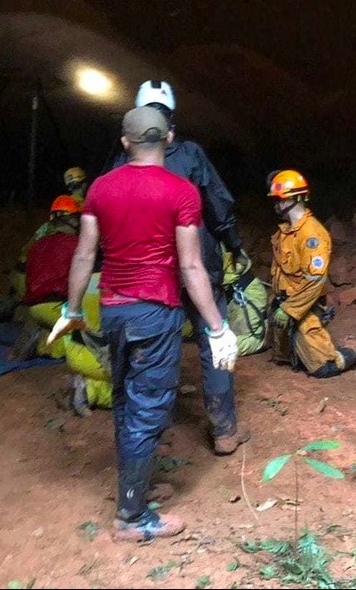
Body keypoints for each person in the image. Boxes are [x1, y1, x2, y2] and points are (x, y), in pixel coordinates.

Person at [48, 106, 239, 543]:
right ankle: (132, 517)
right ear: (169, 139)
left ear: (124, 143)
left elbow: (83, 255)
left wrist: (72, 310)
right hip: (155, 311)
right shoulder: (182, 192)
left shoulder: (100, 187)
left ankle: (137, 485)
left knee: (124, 398)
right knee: (149, 408)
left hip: (113, 308)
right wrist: (216, 326)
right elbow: (191, 266)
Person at [107, 79, 250, 456]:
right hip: (197, 264)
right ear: (171, 124)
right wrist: (234, 245)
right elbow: (217, 205)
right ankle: (224, 429)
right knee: (213, 336)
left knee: (154, 346)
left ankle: (153, 437)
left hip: (149, 273)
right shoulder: (190, 154)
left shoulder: (122, 163)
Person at [15, 195, 112, 416]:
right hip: (58, 307)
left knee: (70, 329)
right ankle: (89, 388)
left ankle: (43, 342)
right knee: (140, 388)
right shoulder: (77, 249)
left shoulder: (37, 245)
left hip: (36, 308)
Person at [267, 169, 356, 378]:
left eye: (279, 198)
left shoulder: (312, 235)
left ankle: (353, 351)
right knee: (282, 358)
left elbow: (314, 281)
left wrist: (289, 310)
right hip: (284, 302)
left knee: (323, 367)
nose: (276, 204)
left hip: (302, 306)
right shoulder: (286, 232)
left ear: (294, 198)